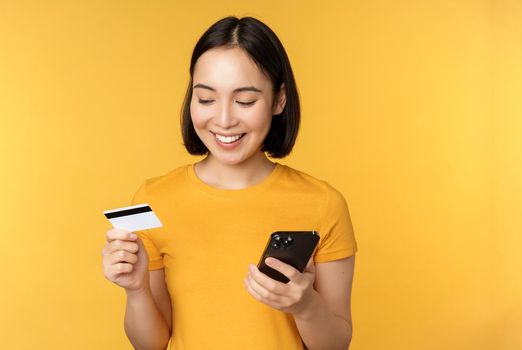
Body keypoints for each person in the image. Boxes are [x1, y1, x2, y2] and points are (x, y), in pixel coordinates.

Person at [101, 16, 357, 349]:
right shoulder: (152, 200)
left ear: (279, 99)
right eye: (206, 99)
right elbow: (151, 346)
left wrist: (304, 305)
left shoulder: (323, 202)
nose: (223, 119)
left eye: (245, 101)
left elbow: (336, 344)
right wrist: (135, 291)